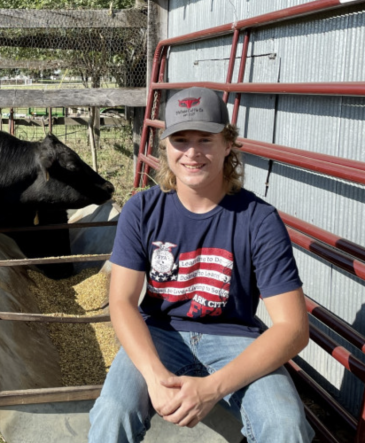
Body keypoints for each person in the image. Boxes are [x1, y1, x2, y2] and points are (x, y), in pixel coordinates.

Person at [88, 87, 315, 443]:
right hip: (159, 333)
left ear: (228, 144)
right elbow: (121, 301)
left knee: (284, 424)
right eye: (180, 140)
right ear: (165, 147)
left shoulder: (259, 219)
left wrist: (210, 389)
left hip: (235, 338)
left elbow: (293, 328)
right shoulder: (143, 210)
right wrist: (153, 377)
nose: (192, 153)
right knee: (112, 413)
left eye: (205, 139)